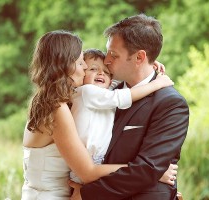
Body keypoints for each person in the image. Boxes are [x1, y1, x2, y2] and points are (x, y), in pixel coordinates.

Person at [21, 30, 177, 200]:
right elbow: (88, 172)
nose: (86, 68)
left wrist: (144, 65)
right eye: (81, 63)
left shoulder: (51, 100)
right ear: (65, 65)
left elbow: (111, 83)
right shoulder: (57, 109)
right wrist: (150, 173)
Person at [69, 14, 189, 200]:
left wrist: (87, 194)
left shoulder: (170, 104)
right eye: (108, 52)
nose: (106, 60)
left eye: (114, 55)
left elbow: (147, 169)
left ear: (140, 57)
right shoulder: (105, 94)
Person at [70, 48, 174, 183]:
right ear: (82, 72)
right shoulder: (86, 92)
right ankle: (155, 174)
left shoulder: (104, 93)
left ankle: (154, 174)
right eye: (93, 69)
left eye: (106, 72)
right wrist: (157, 83)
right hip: (84, 164)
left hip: (99, 163)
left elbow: (120, 78)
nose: (101, 73)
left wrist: (146, 65)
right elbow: (124, 96)